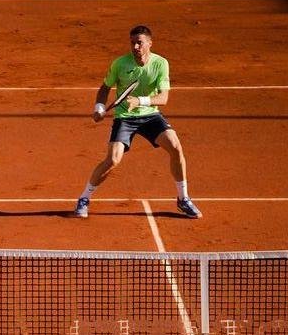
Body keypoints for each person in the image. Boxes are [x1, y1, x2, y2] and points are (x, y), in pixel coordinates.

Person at [74, 25, 202, 219]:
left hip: (151, 115)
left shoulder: (161, 64)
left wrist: (139, 101)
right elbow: (104, 88)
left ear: (149, 44)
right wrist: (99, 108)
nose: (135, 47)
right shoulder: (120, 64)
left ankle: (183, 199)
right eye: (133, 42)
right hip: (124, 118)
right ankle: (84, 198)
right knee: (113, 160)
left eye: (139, 43)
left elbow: (163, 98)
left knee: (175, 146)